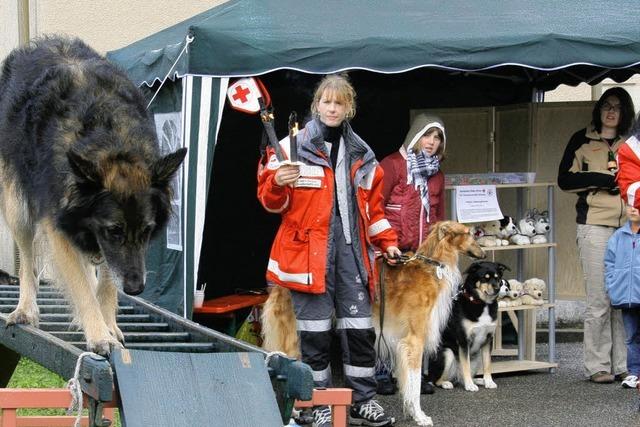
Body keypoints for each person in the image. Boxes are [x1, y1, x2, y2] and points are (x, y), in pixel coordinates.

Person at [257, 74, 400, 427]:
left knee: (359, 330)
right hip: (308, 256)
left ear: (349, 107)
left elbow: (374, 211)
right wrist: (276, 182)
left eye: (339, 103)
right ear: (316, 105)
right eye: (326, 102)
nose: (332, 108)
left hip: (352, 254)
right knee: (314, 335)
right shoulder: (289, 148)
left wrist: (389, 242)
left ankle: (363, 400)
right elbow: (270, 202)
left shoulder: (363, 154)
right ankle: (315, 404)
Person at [557, 87, 635, 384]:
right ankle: (597, 365)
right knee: (599, 297)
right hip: (594, 225)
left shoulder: (632, 142)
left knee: (625, 298)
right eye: (606, 105)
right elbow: (565, 179)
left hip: (629, 227)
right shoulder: (581, 139)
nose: (611, 111)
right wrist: (602, 180)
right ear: (599, 110)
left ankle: (625, 365)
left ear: (625, 112)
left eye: (617, 106)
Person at [380, 113, 446, 252]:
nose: (431, 142)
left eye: (437, 137)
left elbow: (440, 217)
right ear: (415, 136)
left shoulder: (438, 174)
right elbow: (375, 208)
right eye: (426, 135)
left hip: (424, 254)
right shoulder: (392, 164)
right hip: (393, 252)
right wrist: (385, 245)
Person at [604, 203, 640, 389]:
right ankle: (633, 372)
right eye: (630, 205)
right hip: (626, 296)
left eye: (638, 205)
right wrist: (612, 286)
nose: (633, 209)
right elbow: (609, 262)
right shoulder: (618, 236)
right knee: (631, 336)